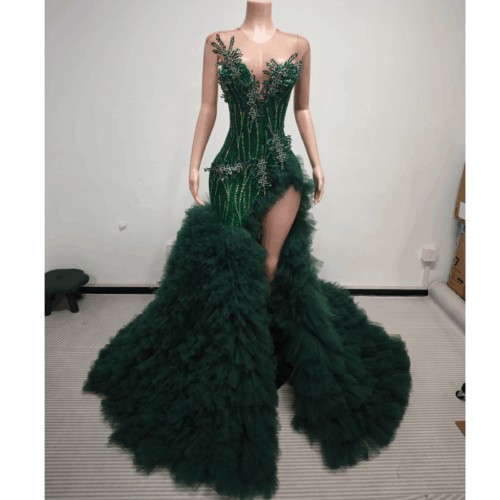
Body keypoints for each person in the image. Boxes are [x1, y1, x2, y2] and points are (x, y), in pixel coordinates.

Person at [82, 15, 413, 500]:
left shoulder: (299, 44)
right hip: (231, 169)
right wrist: (194, 164)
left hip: (280, 170)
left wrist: (317, 162)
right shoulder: (217, 42)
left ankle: (270, 347)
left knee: (271, 266)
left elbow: (303, 109)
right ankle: (235, 359)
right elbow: (206, 107)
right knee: (237, 272)